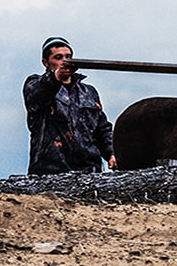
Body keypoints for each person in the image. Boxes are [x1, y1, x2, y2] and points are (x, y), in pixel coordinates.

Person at [24, 37, 114, 174]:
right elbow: (36, 97)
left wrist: (111, 153)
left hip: (89, 171)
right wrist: (56, 77)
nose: (65, 61)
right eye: (58, 57)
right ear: (46, 62)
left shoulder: (89, 92)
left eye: (68, 57)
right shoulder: (35, 84)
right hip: (49, 172)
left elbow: (102, 128)